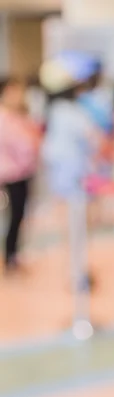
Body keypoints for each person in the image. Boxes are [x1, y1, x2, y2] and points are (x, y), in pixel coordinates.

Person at [0, 77, 42, 275]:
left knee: (20, 216)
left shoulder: (19, 115)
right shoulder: (4, 118)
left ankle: (14, 254)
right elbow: (23, 144)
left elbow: (33, 137)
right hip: (11, 175)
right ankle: (9, 257)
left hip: (24, 172)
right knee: (14, 217)